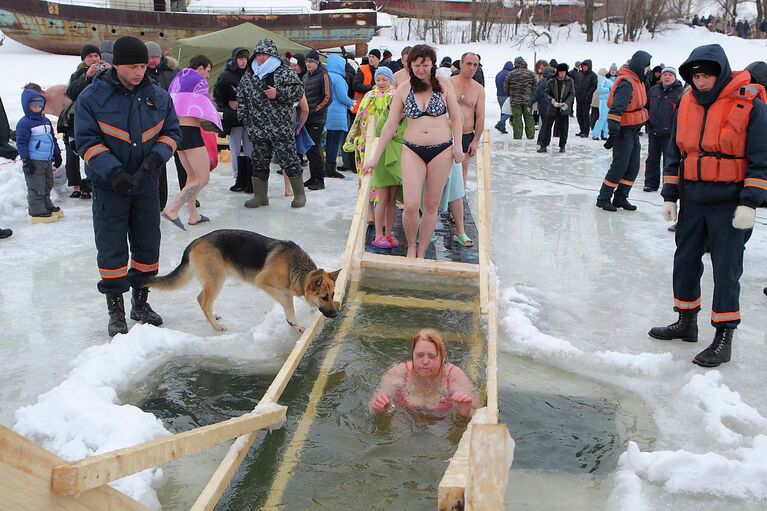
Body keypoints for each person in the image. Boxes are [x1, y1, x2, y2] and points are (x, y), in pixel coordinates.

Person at [649, 44, 767, 368]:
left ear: (721, 74)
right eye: (696, 76)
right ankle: (686, 321)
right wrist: (670, 194)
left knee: (727, 268)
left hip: (729, 203)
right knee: (685, 260)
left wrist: (750, 202)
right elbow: (675, 152)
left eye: (707, 76)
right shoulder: (685, 103)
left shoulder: (749, 103)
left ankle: (724, 335)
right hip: (694, 199)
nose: (701, 82)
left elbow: (761, 157)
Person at [74, 36, 181, 336]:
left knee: (148, 245)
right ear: (117, 65)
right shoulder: (92, 98)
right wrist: (115, 172)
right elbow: (86, 141)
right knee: (111, 248)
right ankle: (116, 310)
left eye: (143, 65)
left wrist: (154, 161)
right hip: (111, 187)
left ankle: (141, 304)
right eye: (132, 66)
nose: (139, 71)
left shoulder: (158, 96)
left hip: (147, 185)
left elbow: (172, 132)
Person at [364, 44, 464, 259]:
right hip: (412, 150)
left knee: (431, 204)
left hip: (441, 149)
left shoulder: (444, 84)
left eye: (425, 65)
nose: (421, 69)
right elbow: (390, 126)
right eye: (417, 65)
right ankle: (411, 244)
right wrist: (375, 157)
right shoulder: (403, 89)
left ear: (432, 65)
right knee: (410, 205)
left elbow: (456, 117)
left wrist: (458, 147)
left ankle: (421, 249)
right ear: (409, 65)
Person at [237, 38, 306, 208]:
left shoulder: (283, 71)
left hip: (280, 127)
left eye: (265, 54)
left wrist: (278, 93)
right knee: (259, 162)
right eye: (259, 54)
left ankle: (299, 195)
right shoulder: (250, 74)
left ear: (272, 54)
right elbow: (241, 97)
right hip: (258, 129)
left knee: (289, 160)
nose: (261, 57)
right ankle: (260, 196)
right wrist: (246, 120)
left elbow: (298, 91)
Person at [346, 67, 401, 248]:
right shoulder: (369, 96)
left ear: (391, 80)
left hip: (388, 142)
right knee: (367, 177)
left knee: (387, 187)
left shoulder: (396, 96)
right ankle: (369, 212)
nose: (381, 83)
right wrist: (354, 137)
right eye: (378, 80)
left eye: (384, 79)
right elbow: (359, 118)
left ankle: (386, 220)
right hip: (367, 142)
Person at [162, 68, 222, 229]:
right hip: (191, 133)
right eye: (207, 70)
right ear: (200, 68)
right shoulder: (195, 80)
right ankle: (173, 208)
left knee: (191, 176)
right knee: (202, 178)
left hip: (178, 133)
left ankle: (193, 214)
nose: (208, 75)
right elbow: (206, 107)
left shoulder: (178, 81)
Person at [370, 328, 477, 418]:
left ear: (443, 356)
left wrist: (464, 414)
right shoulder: (399, 372)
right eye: (420, 355)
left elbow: (480, 414)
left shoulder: (454, 376)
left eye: (432, 356)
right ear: (412, 354)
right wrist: (381, 408)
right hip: (405, 423)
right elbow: (373, 406)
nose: (425, 361)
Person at [595, 50, 651, 211]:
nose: (648, 70)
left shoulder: (639, 80)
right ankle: (604, 198)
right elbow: (616, 110)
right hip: (623, 131)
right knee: (620, 165)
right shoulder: (626, 83)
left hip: (633, 130)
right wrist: (613, 134)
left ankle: (620, 197)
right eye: (646, 66)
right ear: (640, 66)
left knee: (633, 166)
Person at [449, 52, 484, 247]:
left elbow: (480, 116)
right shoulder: (448, 83)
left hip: (466, 134)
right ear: (461, 64)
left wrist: (476, 140)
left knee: (461, 176)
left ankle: (457, 216)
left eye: (475, 64)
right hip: (446, 135)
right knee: (439, 175)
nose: (472, 67)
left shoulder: (478, 89)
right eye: (469, 63)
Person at [62, 44, 105, 200]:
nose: (94, 59)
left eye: (96, 56)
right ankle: (79, 185)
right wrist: (86, 76)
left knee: (97, 152)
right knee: (78, 152)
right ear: (84, 59)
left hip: (101, 118)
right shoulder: (78, 74)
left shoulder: (107, 70)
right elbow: (71, 93)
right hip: (81, 119)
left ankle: (93, 183)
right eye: (90, 56)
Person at [16, 84, 63, 223]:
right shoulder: (24, 123)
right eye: (34, 106)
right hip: (34, 159)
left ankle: (46, 203)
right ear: (27, 106)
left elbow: (52, 138)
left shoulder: (46, 121)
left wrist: (57, 153)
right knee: (36, 185)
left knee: (47, 183)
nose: (37, 108)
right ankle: (36, 209)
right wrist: (26, 159)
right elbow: (21, 143)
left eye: (40, 105)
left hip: (46, 159)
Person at [214, 47, 252, 193]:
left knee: (249, 148)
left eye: (245, 58)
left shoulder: (251, 73)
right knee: (235, 148)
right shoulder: (226, 76)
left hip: (248, 117)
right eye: (240, 58)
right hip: (234, 118)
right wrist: (227, 103)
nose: (243, 61)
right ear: (235, 59)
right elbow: (218, 94)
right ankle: (238, 177)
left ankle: (249, 177)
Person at [643, 66, 682, 192]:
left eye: (670, 75)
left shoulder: (680, 92)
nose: (667, 77)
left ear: (675, 78)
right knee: (652, 159)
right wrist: (646, 122)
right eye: (665, 75)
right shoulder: (653, 90)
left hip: (670, 133)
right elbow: (645, 107)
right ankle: (650, 184)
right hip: (653, 131)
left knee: (669, 161)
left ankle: (668, 186)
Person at [301, 49, 331, 190]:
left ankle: (319, 179)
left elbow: (327, 97)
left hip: (317, 118)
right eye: (307, 61)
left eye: (311, 61)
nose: (308, 64)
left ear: (317, 62)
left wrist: (314, 110)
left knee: (315, 147)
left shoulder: (323, 75)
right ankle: (313, 177)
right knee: (309, 148)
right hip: (306, 117)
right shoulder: (306, 76)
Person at [325, 54, 355, 180]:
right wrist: (351, 103)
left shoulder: (326, 76)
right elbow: (342, 96)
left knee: (329, 141)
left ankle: (327, 166)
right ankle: (331, 168)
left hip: (327, 112)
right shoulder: (338, 79)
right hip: (337, 114)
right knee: (335, 142)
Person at [537, 63, 575, 153]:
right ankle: (544, 145)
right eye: (560, 72)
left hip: (564, 108)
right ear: (557, 72)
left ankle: (562, 146)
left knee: (564, 128)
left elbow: (572, 93)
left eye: (564, 72)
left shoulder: (570, 81)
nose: (562, 74)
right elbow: (546, 93)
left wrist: (566, 103)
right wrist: (551, 100)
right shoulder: (552, 81)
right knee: (547, 126)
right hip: (553, 107)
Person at [503, 56, 536, 140]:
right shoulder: (531, 73)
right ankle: (530, 136)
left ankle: (518, 137)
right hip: (528, 101)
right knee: (529, 118)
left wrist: (509, 95)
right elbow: (535, 87)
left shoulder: (511, 74)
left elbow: (506, 88)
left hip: (515, 101)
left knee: (517, 119)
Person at [528, 65, 555, 148]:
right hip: (549, 107)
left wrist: (529, 104)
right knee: (546, 126)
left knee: (544, 125)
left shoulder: (542, 82)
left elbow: (536, 95)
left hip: (542, 107)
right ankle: (543, 141)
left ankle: (541, 140)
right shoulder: (553, 82)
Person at [352, 49, 380, 116]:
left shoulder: (382, 71)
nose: (370, 59)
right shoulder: (362, 69)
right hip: (362, 106)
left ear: (379, 59)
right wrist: (372, 87)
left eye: (373, 57)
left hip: (376, 106)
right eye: (369, 56)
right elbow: (355, 86)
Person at [574, 60, 597, 137]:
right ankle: (582, 130)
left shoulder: (593, 75)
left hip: (587, 98)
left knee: (585, 115)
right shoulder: (580, 74)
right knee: (579, 115)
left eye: (585, 66)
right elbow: (577, 84)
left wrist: (588, 94)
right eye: (583, 66)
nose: (583, 68)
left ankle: (586, 132)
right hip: (579, 97)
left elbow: (593, 86)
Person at [591, 68, 613, 140]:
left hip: (608, 100)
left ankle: (603, 134)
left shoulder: (606, 79)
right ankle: (596, 134)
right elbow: (600, 89)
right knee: (603, 118)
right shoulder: (602, 79)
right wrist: (609, 90)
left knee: (606, 118)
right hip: (604, 100)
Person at [494, 60, 514, 134]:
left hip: (499, 95)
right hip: (506, 96)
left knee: (503, 111)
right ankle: (500, 123)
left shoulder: (499, 73)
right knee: (510, 111)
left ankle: (502, 128)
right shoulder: (509, 74)